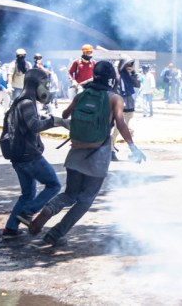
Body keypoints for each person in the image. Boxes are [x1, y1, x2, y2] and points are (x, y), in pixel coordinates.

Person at [27, 61, 146, 247]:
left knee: (70, 194)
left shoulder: (82, 95)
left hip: (76, 152)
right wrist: (133, 147)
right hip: (97, 157)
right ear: (111, 78)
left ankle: (48, 211)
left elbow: (65, 115)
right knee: (85, 200)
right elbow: (121, 124)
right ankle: (54, 235)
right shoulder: (115, 98)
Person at [1, 68, 67, 240]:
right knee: (54, 185)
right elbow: (34, 125)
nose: (46, 88)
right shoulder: (26, 103)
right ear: (35, 84)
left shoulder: (21, 101)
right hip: (29, 157)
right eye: (44, 84)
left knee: (28, 194)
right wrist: (56, 121)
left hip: (19, 157)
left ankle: (10, 229)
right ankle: (28, 212)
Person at [111, 55, 140, 161]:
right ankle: (111, 151)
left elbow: (137, 84)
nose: (130, 66)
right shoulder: (117, 75)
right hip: (120, 105)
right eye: (128, 64)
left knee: (130, 129)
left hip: (130, 106)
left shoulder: (130, 75)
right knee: (117, 130)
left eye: (131, 64)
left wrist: (133, 74)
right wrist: (116, 67)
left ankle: (133, 152)